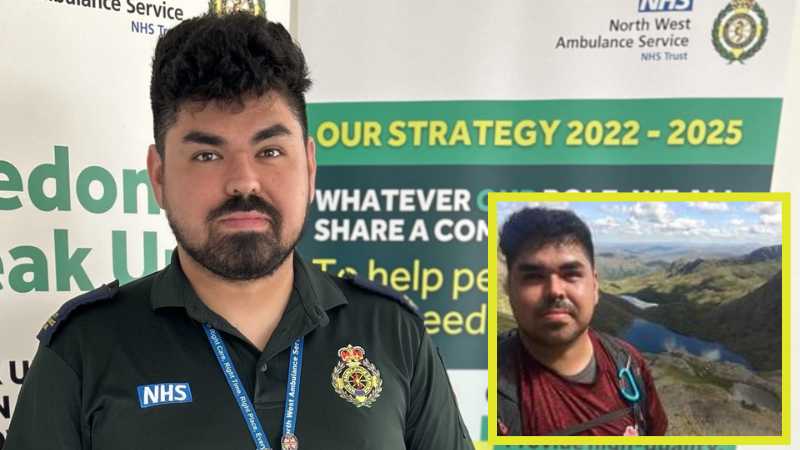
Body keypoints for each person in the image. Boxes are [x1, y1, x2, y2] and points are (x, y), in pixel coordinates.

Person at [5, 11, 473, 450]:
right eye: (207, 155)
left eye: (269, 151)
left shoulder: (393, 333)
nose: (244, 181)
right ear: (160, 176)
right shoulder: (84, 349)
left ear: (309, 166)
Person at [496, 207, 668, 436]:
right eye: (533, 277)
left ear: (595, 286)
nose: (555, 290)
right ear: (509, 288)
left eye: (571, 274)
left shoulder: (629, 363)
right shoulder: (485, 388)